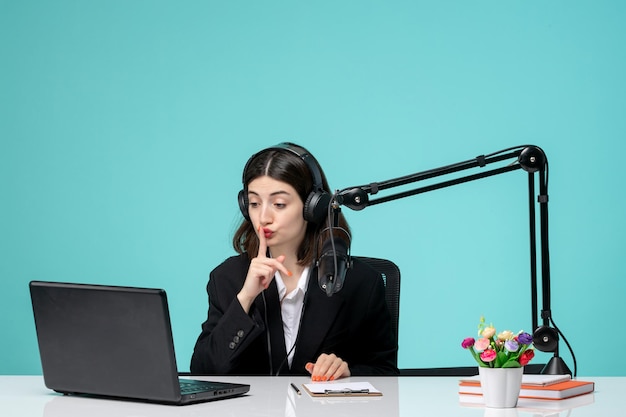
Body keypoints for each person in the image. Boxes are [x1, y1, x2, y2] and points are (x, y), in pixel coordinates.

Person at [190, 142, 398, 380]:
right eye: (254, 203)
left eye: (279, 204)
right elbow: (203, 372)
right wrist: (245, 299)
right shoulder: (228, 278)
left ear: (313, 207)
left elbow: (387, 373)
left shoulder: (361, 282)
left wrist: (347, 371)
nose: (264, 217)